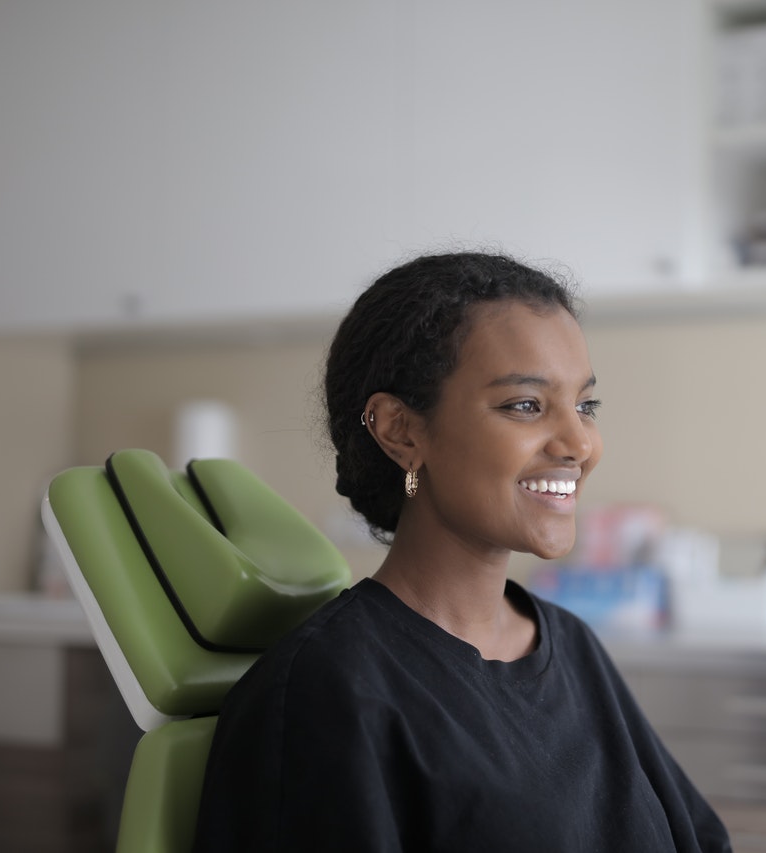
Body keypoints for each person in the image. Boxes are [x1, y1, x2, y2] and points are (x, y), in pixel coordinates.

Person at [192, 252, 732, 852]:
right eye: (525, 405)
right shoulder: (327, 692)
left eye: (585, 405)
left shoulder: (569, 644)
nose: (580, 442)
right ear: (401, 431)